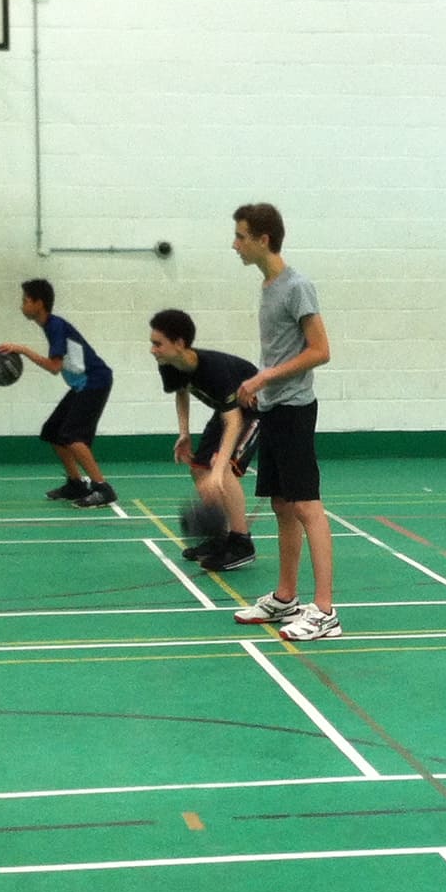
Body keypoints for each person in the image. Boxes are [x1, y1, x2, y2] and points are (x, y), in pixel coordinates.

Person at [226, 203, 339, 642]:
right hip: (272, 408)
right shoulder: (268, 286)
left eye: (241, 237)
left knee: (308, 506)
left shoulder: (297, 286)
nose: (235, 245)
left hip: (294, 408)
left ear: (263, 239)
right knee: (281, 505)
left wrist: (265, 375)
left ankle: (326, 612)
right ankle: (285, 597)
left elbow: (320, 350)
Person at [148, 311, 259, 573]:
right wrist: (184, 433)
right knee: (199, 468)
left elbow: (234, 423)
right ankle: (218, 538)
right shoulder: (169, 364)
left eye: (158, 343)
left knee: (223, 466)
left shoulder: (214, 370)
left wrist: (219, 469)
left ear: (179, 343)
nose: (153, 350)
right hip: (225, 412)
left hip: (254, 411)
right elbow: (181, 393)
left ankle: (242, 543)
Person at [0, 278, 116, 508]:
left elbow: (54, 367)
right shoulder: (50, 326)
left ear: (38, 303)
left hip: (95, 381)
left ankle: (103, 488)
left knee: (72, 436)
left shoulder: (56, 326)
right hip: (82, 384)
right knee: (53, 431)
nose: (21, 305)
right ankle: (76, 484)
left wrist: (22, 350)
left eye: (25, 301)